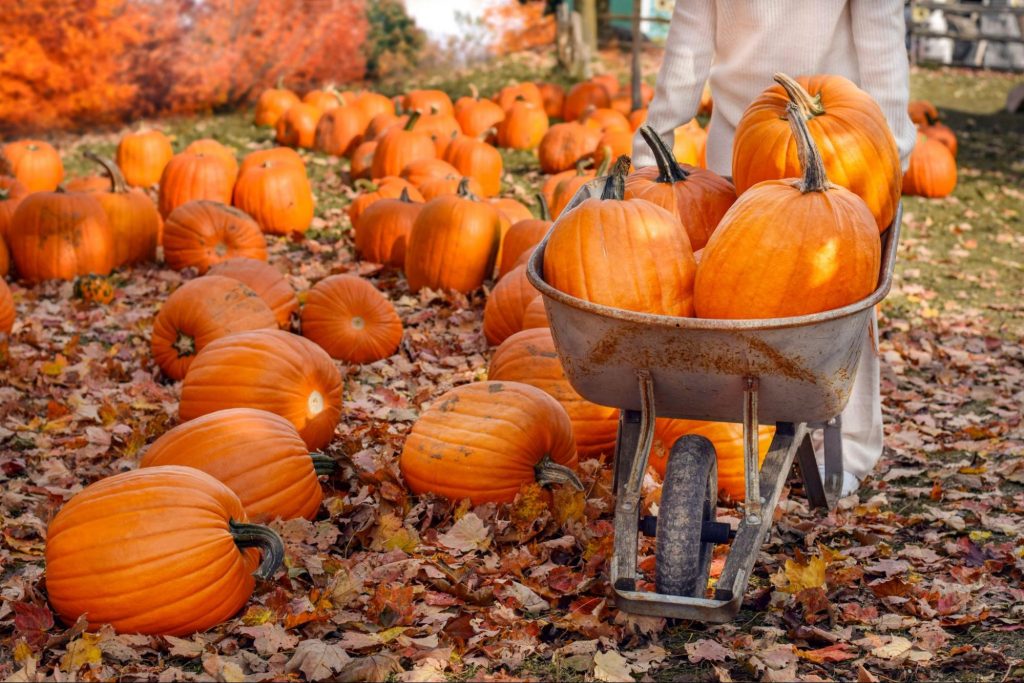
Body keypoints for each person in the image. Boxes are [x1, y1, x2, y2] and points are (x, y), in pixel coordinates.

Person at [632, 1, 917, 496]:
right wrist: (653, 143)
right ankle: (748, 432)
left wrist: (890, 150)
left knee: (843, 296)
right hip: (743, 141)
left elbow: (881, 42)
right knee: (743, 291)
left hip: (840, 145)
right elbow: (688, 41)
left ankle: (847, 446)